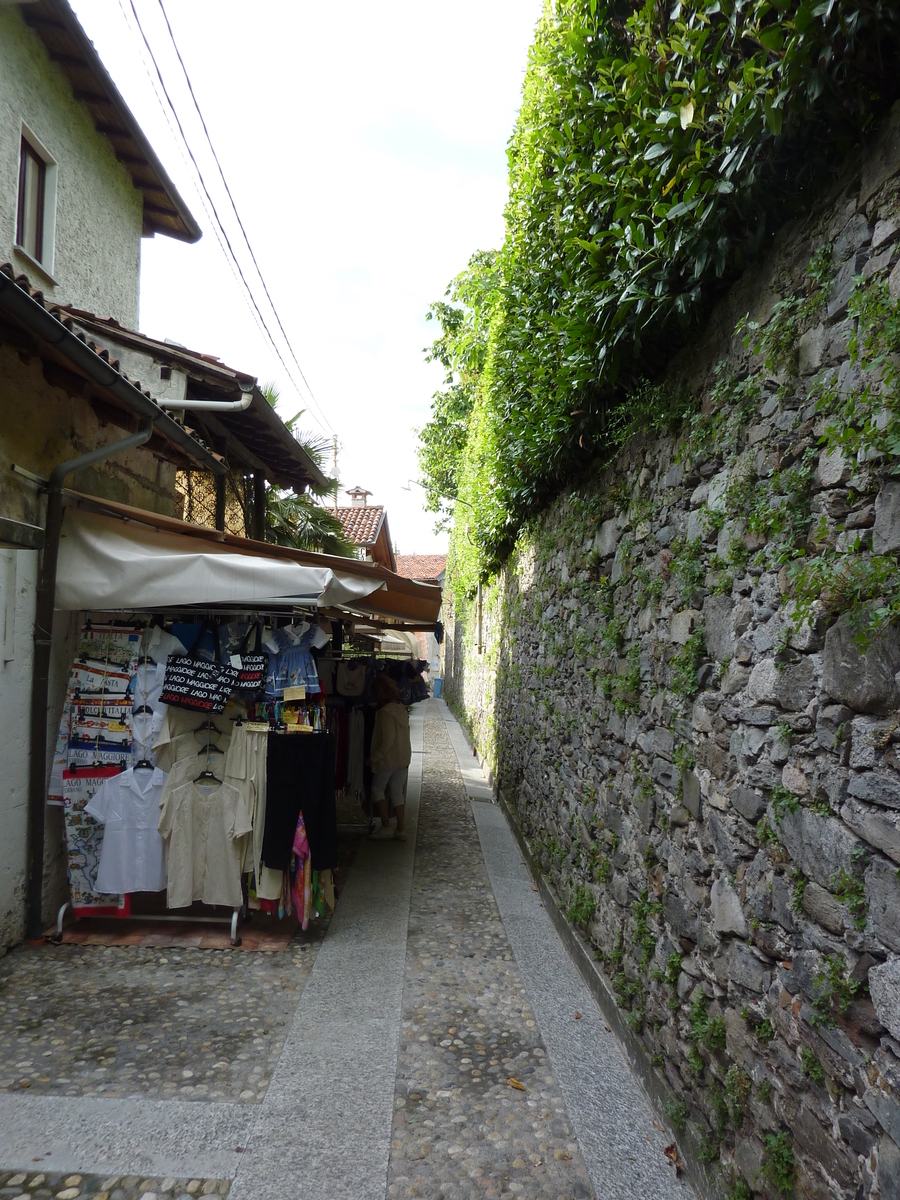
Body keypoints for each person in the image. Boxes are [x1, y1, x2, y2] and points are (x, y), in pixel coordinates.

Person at [368, 673, 411, 841]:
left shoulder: (385, 713)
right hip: (403, 757)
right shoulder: (401, 709)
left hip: (388, 759)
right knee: (397, 792)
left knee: (377, 790)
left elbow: (386, 741)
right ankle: (400, 829)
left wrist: (373, 758)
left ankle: (386, 826)